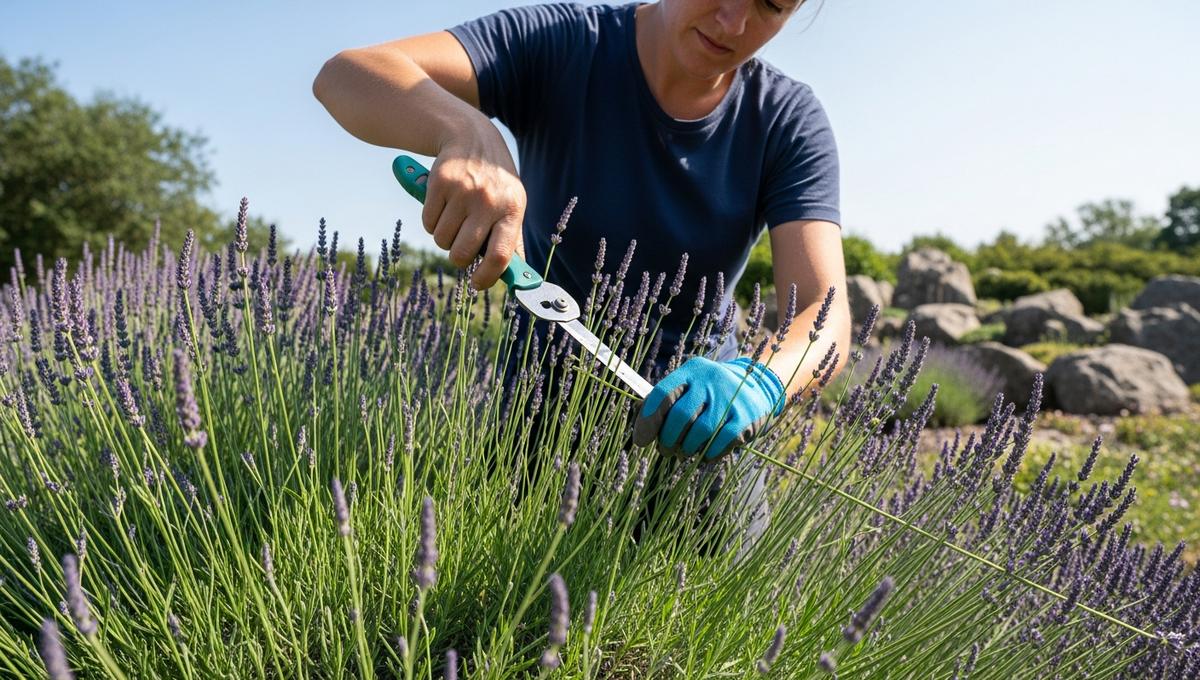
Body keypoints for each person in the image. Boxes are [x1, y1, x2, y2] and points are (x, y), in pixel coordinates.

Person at [313, 0, 852, 549]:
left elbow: (822, 313)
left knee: (731, 629)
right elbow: (346, 74)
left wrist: (757, 381)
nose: (735, 22)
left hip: (701, 425)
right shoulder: (565, 43)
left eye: (772, 5)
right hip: (543, 413)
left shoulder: (787, 119)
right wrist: (468, 131)